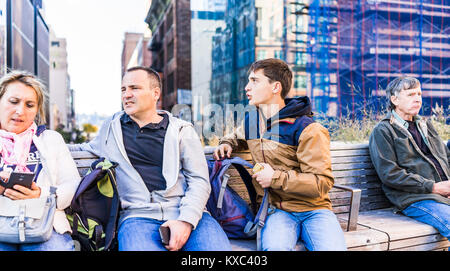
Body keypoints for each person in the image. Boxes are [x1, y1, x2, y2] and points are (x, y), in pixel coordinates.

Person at [69, 66, 231, 251]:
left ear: (155, 94)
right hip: (137, 218)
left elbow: (199, 181)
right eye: (123, 89)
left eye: (134, 88)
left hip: (189, 214)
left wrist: (186, 221)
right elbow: (83, 148)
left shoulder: (182, 130)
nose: (126, 95)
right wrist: (41, 141)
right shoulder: (110, 129)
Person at [213, 58, 347, 251]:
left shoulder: (308, 129)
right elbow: (237, 136)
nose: (246, 87)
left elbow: (321, 182)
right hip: (276, 210)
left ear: (275, 87)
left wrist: (275, 178)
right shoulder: (253, 120)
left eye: (254, 81)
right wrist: (226, 143)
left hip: (314, 210)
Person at [0, 70, 80, 251]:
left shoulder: (51, 139)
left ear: (36, 110)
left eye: (29, 105)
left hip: (45, 225)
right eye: (13, 102)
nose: (20, 111)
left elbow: (72, 185)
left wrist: (40, 194)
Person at [369, 76, 450, 240]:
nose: (418, 99)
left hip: (442, 195)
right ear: (394, 99)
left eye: (419, 94)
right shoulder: (383, 131)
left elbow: (445, 158)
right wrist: (433, 187)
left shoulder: (425, 125)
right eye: (411, 94)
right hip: (415, 199)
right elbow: (390, 174)